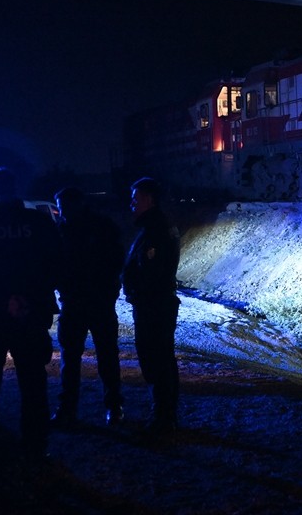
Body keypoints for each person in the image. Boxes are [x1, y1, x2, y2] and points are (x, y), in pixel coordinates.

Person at [0, 167, 61, 460]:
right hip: (29, 315)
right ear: (16, 188)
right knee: (33, 382)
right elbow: (55, 264)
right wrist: (26, 299)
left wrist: (1, 300)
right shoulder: (39, 223)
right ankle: (35, 442)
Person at [51, 186, 125, 427]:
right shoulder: (101, 226)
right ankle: (112, 407)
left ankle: (70, 408)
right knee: (103, 356)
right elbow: (116, 261)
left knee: (73, 358)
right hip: (90, 302)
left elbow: (115, 261)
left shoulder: (65, 230)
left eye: (62, 208)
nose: (61, 213)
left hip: (82, 302)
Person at [122, 177, 181, 436]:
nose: (132, 203)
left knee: (158, 359)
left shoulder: (156, 230)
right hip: (152, 303)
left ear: (150, 199)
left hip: (154, 306)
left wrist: (138, 291)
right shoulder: (153, 227)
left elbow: (154, 271)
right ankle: (163, 413)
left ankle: (164, 418)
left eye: (136, 198)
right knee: (159, 358)